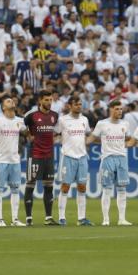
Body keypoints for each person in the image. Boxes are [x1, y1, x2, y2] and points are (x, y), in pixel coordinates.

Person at [87, 100, 133, 226]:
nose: (119, 111)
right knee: (107, 190)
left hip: (122, 158)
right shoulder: (102, 124)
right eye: (117, 109)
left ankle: (122, 219)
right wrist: (82, 142)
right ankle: (106, 219)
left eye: (121, 109)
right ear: (111, 109)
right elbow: (92, 137)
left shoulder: (125, 123)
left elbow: (129, 138)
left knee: (122, 189)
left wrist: (131, 143)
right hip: (107, 158)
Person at [0, 97, 28, 227]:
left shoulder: (19, 121)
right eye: (8, 101)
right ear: (3, 107)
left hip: (15, 160)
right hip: (1, 160)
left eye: (12, 101)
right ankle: (0, 219)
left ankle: (15, 219)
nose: (12, 102)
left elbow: (27, 133)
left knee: (16, 190)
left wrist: (30, 127)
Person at [55, 96, 93, 226]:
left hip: (82, 156)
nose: (79, 106)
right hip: (68, 156)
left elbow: (87, 134)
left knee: (82, 187)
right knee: (65, 186)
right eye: (76, 104)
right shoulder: (62, 120)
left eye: (80, 104)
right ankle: (61, 217)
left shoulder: (84, 119)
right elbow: (55, 134)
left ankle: (81, 218)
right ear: (70, 105)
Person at [23, 90, 59, 226]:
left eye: (51, 100)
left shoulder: (55, 116)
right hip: (35, 155)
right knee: (30, 185)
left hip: (49, 156)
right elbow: (21, 127)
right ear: (40, 101)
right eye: (46, 100)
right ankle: (28, 219)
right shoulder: (31, 116)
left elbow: (57, 131)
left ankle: (48, 217)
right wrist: (28, 136)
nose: (49, 102)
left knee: (49, 186)